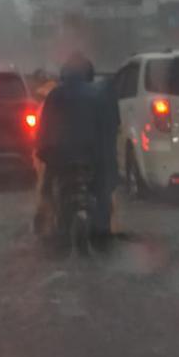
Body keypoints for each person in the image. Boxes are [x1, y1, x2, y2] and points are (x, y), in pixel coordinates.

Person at [34, 52, 119, 248]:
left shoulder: (55, 95)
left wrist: (44, 154)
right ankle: (102, 236)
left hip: (61, 160)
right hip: (94, 159)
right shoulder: (99, 95)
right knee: (104, 192)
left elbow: (44, 132)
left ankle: (49, 227)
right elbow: (111, 131)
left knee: (47, 191)